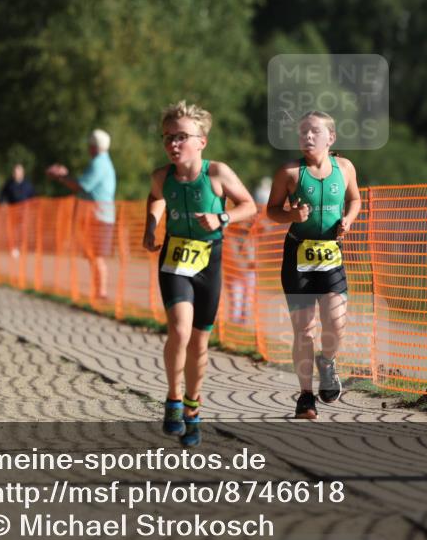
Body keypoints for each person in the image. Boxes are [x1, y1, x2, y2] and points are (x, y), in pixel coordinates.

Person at [143, 101, 256, 446]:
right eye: (167, 138)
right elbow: (155, 197)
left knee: (200, 341)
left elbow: (249, 206)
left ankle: (194, 405)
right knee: (179, 330)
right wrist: (151, 226)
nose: (173, 145)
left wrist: (222, 218)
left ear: (201, 141)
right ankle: (174, 400)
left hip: (210, 260)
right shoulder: (162, 176)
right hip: (175, 259)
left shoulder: (217, 173)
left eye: (180, 137)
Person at [266, 111, 361, 420]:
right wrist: (291, 217)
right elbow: (272, 210)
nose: (307, 136)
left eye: (314, 132)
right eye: (303, 132)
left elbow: (356, 199)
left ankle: (328, 362)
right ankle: (306, 397)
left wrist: (347, 219)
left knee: (336, 323)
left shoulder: (344, 168)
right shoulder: (290, 173)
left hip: (330, 254)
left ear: (330, 138)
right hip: (298, 256)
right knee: (304, 330)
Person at [46, 130, 117, 301]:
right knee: (93, 255)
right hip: (100, 215)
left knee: (96, 255)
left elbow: (82, 186)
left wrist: (61, 177)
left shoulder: (99, 163)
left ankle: (101, 292)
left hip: (99, 216)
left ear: (93, 146)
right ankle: (98, 291)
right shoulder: (103, 162)